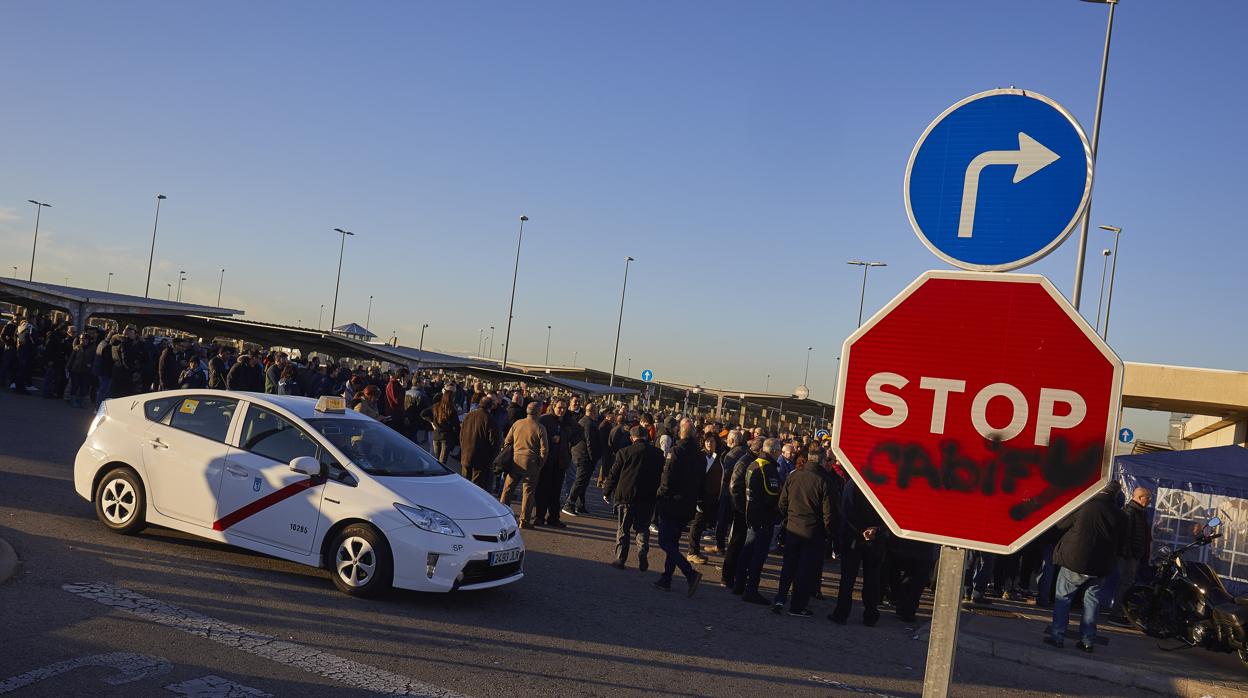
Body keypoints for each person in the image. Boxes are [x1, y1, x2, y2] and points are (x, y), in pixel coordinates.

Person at [1045, 482, 1126, 652]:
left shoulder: (1083, 505)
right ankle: (1088, 641)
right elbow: (1122, 543)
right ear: (1116, 494)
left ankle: (1057, 636)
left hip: (1075, 560)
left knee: (1063, 599)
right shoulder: (1121, 515)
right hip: (1101, 566)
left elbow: (1061, 525)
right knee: (1092, 603)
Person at [772, 443, 836, 617]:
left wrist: (789, 518)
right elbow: (828, 512)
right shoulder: (824, 481)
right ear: (822, 461)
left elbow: (782, 503)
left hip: (793, 527)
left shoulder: (794, 476)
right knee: (804, 570)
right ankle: (797, 605)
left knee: (789, 566)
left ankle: (780, 598)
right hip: (812, 531)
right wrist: (829, 532)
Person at [653, 418, 704, 595]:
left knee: (664, 541)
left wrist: (659, 495)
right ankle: (666, 577)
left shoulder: (676, 451)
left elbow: (667, 478)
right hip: (688, 504)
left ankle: (689, 573)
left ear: (681, 431)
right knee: (672, 542)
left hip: (672, 502)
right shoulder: (699, 454)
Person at [603, 426, 663, 571]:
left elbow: (614, 473)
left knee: (623, 529)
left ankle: (620, 559)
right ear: (646, 436)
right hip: (648, 497)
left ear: (631, 438)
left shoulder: (624, 452)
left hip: (626, 496)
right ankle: (642, 555)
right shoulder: (658, 454)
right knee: (642, 528)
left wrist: (607, 491)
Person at [830, 479, 886, 626]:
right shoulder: (884, 483)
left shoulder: (853, 484)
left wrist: (863, 530)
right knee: (872, 578)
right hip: (873, 537)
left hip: (855, 537)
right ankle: (870, 615)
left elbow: (847, 511)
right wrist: (877, 529)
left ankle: (842, 613)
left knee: (849, 577)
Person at [736, 438, 783, 604]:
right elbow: (773, 494)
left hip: (752, 515)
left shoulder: (754, 463)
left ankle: (739, 584)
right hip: (763, 518)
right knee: (758, 555)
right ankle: (751, 590)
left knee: (747, 551)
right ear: (775, 451)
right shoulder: (767, 468)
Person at [721, 437, 762, 590]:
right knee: (736, 543)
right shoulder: (745, 462)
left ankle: (734, 576)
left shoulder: (750, 460)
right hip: (741, 510)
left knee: (741, 543)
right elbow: (735, 485)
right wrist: (740, 507)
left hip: (745, 509)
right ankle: (727, 577)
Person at [499, 401, 549, 529]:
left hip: (515, 460)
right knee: (528, 493)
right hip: (531, 462)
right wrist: (540, 464)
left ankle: (501, 515)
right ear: (538, 412)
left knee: (508, 489)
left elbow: (507, 441)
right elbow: (544, 450)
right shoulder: (540, 427)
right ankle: (524, 520)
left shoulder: (517, 423)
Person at [1108, 487, 1153, 625]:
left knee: (1127, 584)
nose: (1149, 501)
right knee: (1124, 584)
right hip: (1129, 556)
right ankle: (1116, 613)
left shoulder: (1139, 512)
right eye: (1148, 498)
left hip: (1134, 555)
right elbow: (1125, 536)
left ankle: (1121, 612)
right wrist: (1129, 554)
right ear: (1140, 497)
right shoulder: (1130, 512)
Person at [686, 431, 723, 564]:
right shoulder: (700, 456)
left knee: (701, 525)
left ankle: (696, 550)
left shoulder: (717, 457)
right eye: (707, 441)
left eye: (712, 441)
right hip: (700, 496)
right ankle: (692, 552)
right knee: (697, 524)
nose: (709, 443)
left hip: (712, 496)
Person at [536, 398, 572, 527]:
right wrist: (551, 439)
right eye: (559, 407)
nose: (561, 410)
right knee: (543, 490)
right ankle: (539, 517)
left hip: (560, 462)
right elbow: (537, 437)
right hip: (547, 461)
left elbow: (574, 434)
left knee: (556, 492)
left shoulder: (567, 421)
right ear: (553, 407)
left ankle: (553, 517)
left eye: (564, 408)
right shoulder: (545, 420)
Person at [563, 402, 603, 516]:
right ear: (592, 412)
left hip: (580, 454)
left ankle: (580, 504)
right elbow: (590, 442)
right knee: (580, 481)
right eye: (596, 411)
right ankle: (569, 504)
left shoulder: (584, 421)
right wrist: (593, 458)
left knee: (583, 481)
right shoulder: (588, 423)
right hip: (584, 456)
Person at [459, 396, 500, 490]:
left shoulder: (469, 416)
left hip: (466, 456)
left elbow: (461, 435)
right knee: (477, 488)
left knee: (465, 485)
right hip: (481, 460)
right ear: (491, 406)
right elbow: (494, 442)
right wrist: (491, 458)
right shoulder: (490, 419)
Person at [423, 389, 460, 466]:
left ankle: (435, 474)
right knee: (442, 461)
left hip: (436, 435)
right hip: (446, 437)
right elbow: (456, 427)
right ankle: (438, 475)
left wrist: (432, 422)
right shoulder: (451, 410)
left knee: (436, 459)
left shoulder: (436, 406)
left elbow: (423, 413)